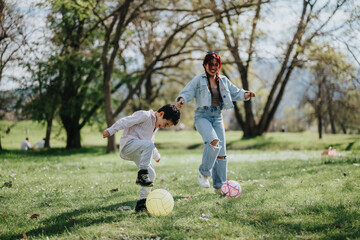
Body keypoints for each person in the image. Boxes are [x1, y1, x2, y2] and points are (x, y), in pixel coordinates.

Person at [176, 51, 256, 193]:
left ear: (219, 65)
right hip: (202, 116)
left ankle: (220, 187)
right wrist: (182, 99)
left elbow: (236, 93)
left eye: (216, 64)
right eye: (210, 64)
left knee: (222, 153)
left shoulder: (223, 80)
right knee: (213, 141)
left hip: (217, 117)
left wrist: (246, 94)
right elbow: (188, 91)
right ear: (205, 65)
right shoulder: (198, 80)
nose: (213, 67)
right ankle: (204, 172)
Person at [102, 104, 180, 212]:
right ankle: (142, 175)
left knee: (151, 174)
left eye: (167, 126)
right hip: (128, 145)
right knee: (148, 151)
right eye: (166, 123)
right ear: (161, 114)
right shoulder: (145, 115)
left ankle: (142, 203)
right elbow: (125, 121)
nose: (164, 127)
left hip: (139, 150)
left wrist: (156, 155)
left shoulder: (155, 126)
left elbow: (150, 141)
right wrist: (110, 131)